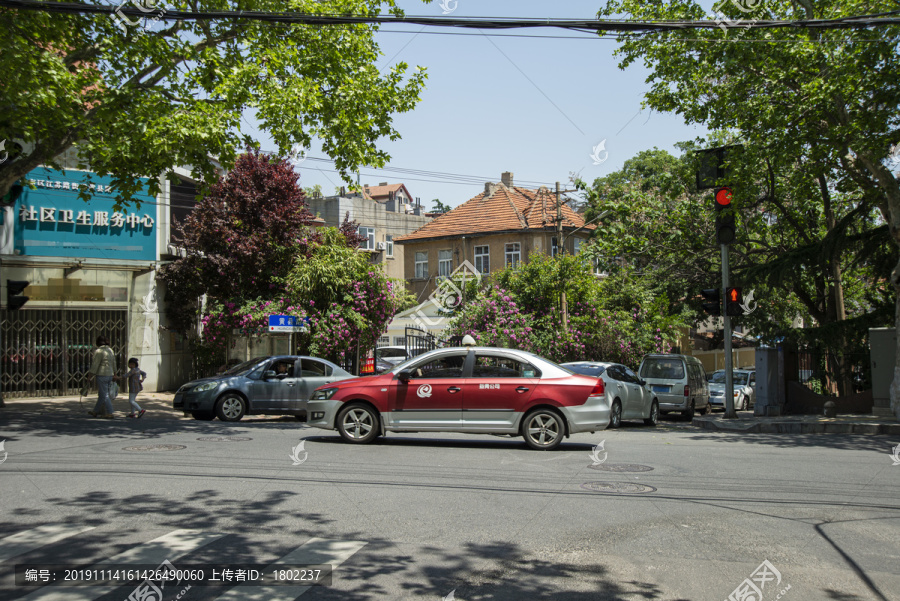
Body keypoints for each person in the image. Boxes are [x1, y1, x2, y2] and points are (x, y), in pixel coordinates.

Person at [87, 335, 117, 418]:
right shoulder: (110, 350)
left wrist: (90, 376)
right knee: (102, 394)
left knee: (104, 395)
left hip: (102, 375)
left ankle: (110, 412)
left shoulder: (99, 351)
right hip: (110, 374)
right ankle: (95, 411)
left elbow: (95, 365)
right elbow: (114, 362)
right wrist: (115, 373)